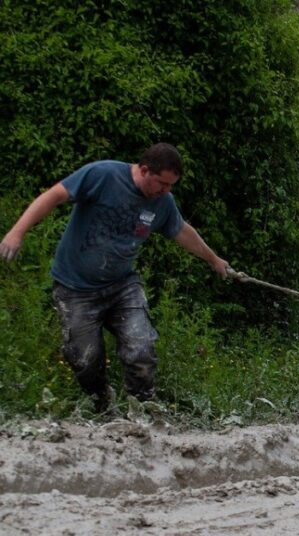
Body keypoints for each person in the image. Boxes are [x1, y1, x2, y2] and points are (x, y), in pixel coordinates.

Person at [0, 143, 229, 412]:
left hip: (122, 287)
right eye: (162, 183)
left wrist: (214, 260)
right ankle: (102, 404)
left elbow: (182, 231)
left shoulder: (163, 202)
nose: (166, 191)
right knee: (85, 359)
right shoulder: (102, 175)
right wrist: (17, 232)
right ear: (144, 170)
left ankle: (143, 408)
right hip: (76, 289)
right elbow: (53, 196)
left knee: (141, 349)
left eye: (171, 186)